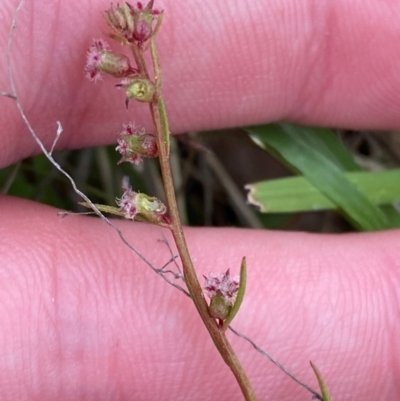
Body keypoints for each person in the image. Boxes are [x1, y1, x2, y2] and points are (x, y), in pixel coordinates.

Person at [0, 0, 399, 399]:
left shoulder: (151, 104)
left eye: (140, 88)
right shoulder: (148, 116)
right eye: (135, 89)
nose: (139, 91)